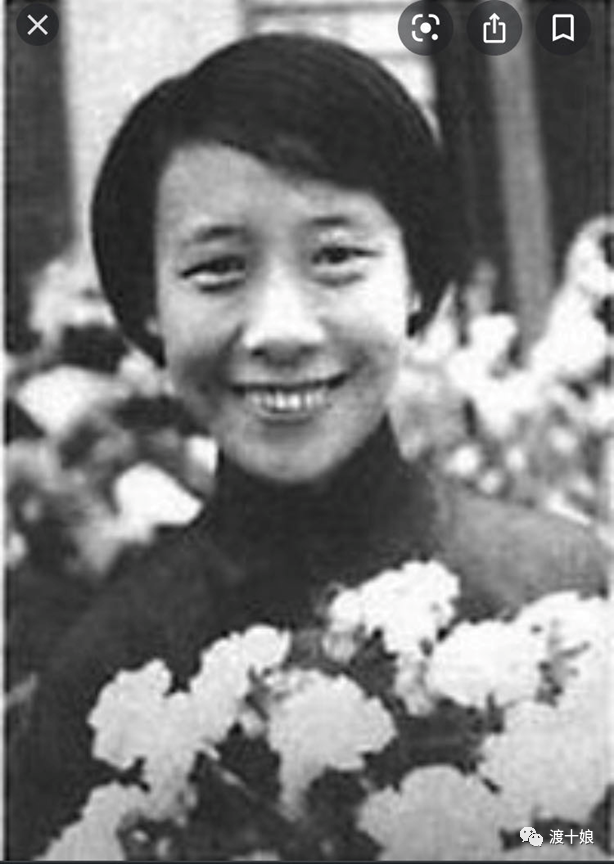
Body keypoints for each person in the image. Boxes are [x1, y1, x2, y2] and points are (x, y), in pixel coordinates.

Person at [6, 32, 607, 861]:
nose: (281, 329)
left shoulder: (562, 592)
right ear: (149, 304)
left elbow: (598, 832)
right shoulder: (109, 679)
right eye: (218, 269)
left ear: (415, 280)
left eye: (336, 257)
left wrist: (510, 836)